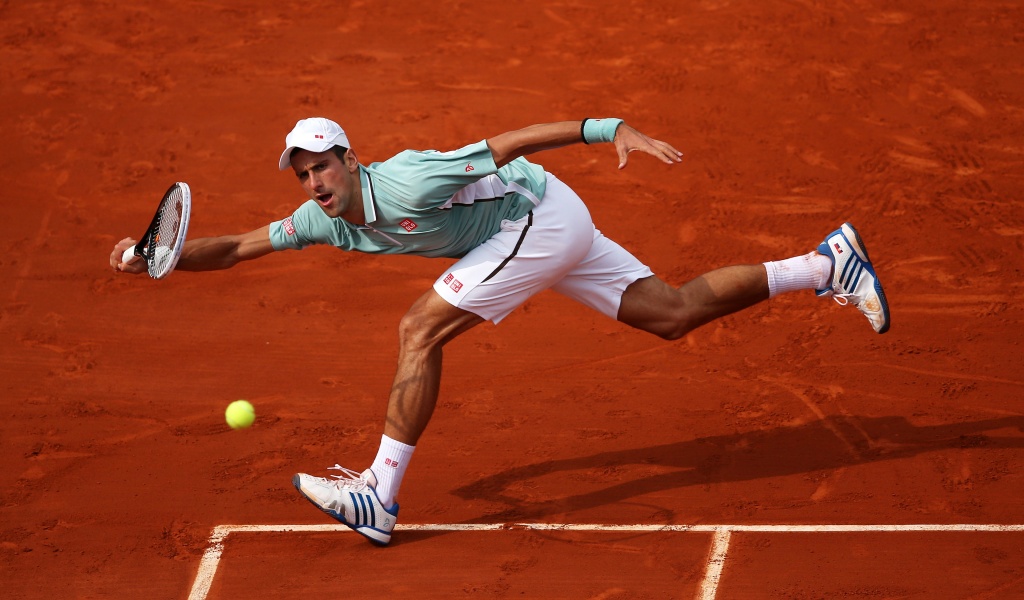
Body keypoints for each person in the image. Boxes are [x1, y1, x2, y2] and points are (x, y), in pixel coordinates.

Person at [109, 116, 890, 545]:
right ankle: (826, 265)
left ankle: (379, 495)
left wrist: (606, 127)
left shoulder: (408, 175)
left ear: (351, 159)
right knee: (672, 313)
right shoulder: (325, 221)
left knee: (420, 328)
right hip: (556, 220)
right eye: (303, 172)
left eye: (323, 165)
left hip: (539, 215)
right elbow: (240, 246)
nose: (315, 181)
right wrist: (159, 259)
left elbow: (505, 143)